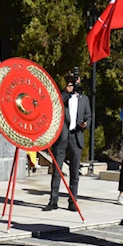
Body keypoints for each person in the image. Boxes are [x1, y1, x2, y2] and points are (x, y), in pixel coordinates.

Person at [43, 74, 90, 212]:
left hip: (76, 137)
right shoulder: (62, 97)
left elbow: (89, 116)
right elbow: (54, 106)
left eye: (75, 82)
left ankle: (72, 201)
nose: (74, 84)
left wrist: (85, 124)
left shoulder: (84, 99)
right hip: (62, 137)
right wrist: (65, 92)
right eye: (71, 82)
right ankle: (53, 200)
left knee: (74, 172)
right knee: (57, 171)